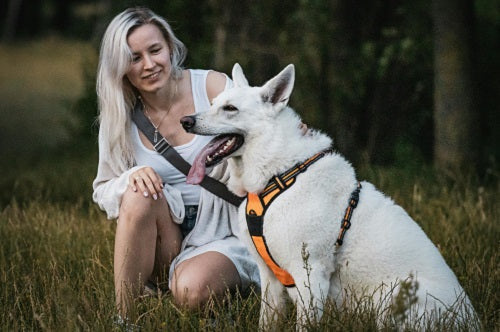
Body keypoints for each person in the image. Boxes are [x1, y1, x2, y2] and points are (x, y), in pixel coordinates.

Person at [92, 7, 259, 319]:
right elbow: (103, 189)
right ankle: (124, 319)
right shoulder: (119, 117)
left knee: (192, 291)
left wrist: (296, 131)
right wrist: (131, 176)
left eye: (155, 50)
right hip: (167, 236)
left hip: (227, 231)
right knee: (138, 192)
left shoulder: (211, 87)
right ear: (121, 67)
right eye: (134, 57)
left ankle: (216, 292)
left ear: (170, 47)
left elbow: (260, 123)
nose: (149, 64)